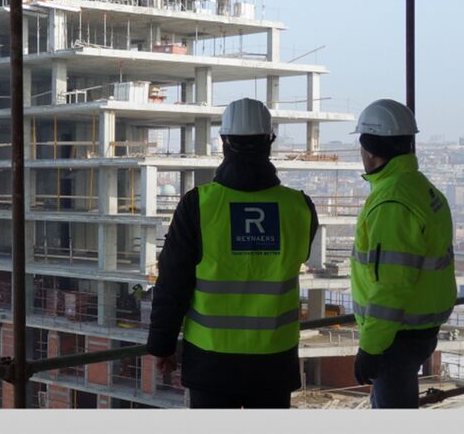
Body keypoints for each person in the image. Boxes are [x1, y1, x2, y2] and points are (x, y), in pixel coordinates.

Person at [147, 98, 318, 409]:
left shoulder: (198, 205)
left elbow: (173, 282)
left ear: (224, 141)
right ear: (269, 141)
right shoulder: (299, 207)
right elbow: (300, 256)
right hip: (274, 362)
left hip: (212, 362)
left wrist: (162, 345)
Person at [350, 99, 457, 408]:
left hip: (395, 336)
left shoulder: (391, 202)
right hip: (418, 329)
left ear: (369, 151)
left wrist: (370, 348)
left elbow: (391, 288)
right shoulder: (421, 188)